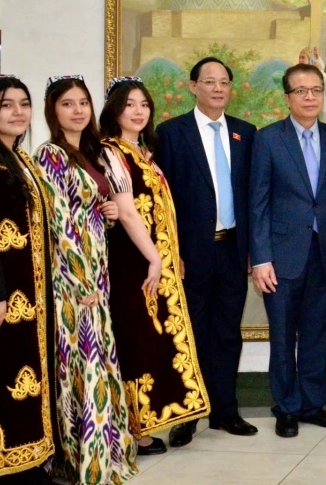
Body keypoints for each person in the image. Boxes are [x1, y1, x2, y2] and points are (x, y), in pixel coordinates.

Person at [36, 76, 139, 482]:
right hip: (72, 278)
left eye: (83, 103)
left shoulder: (88, 152)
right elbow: (60, 224)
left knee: (97, 357)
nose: (78, 110)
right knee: (79, 362)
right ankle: (78, 458)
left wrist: (108, 212)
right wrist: (82, 284)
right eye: (67, 103)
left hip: (96, 270)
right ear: (52, 111)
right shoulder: (50, 154)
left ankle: (102, 451)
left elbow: (88, 209)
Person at [100, 77, 209, 455]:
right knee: (135, 340)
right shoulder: (111, 151)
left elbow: (162, 211)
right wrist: (154, 258)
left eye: (144, 104)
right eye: (129, 104)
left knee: (153, 338)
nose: (138, 111)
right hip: (132, 261)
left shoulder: (143, 151)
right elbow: (127, 213)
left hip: (154, 260)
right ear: (114, 110)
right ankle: (135, 429)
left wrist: (171, 255)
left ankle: (145, 422)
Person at [155, 58, 259, 447]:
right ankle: (187, 415)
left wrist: (253, 250)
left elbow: (253, 197)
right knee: (191, 334)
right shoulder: (171, 133)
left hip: (233, 248)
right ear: (193, 86)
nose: (218, 89)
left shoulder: (246, 132)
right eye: (209, 82)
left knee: (228, 333)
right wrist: (172, 251)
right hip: (191, 253)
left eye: (224, 82)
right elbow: (162, 201)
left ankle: (225, 411)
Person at [249, 64, 326, 438]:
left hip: (324, 254)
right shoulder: (268, 139)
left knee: (316, 335)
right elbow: (257, 203)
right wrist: (260, 258)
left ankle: (312, 404)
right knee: (282, 336)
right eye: (301, 91)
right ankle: (286, 407)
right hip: (281, 256)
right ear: (287, 97)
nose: (310, 97)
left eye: (316, 90)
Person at [0, 75, 56, 483]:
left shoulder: (18, 157)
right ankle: (6, 470)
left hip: (33, 295)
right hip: (4, 297)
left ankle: (33, 461)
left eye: (24, 103)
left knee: (33, 378)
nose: (18, 112)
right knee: (5, 379)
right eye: (7, 104)